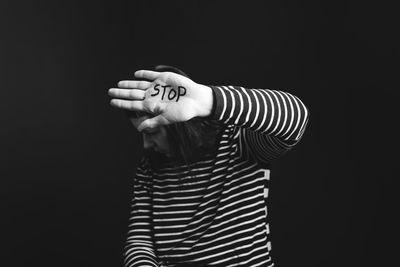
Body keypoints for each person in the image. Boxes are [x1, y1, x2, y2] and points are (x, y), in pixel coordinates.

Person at [108, 65, 309, 267]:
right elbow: (140, 242)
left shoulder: (237, 140)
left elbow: (295, 118)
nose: (146, 144)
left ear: (179, 125)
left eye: (151, 132)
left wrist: (207, 100)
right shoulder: (149, 169)